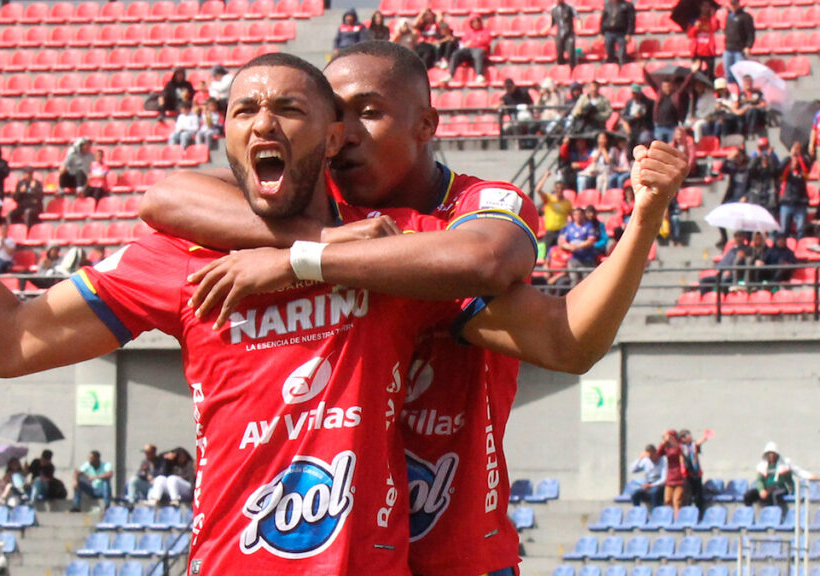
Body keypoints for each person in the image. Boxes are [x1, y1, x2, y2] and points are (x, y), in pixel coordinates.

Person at [0, 48, 688, 575]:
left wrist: (645, 218)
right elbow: (5, 343)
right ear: (224, 134)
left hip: (447, 555)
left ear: (329, 130)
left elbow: (554, 327)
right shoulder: (193, 251)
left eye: (295, 110)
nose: (266, 123)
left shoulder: (408, 251)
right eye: (243, 111)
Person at [139, 43, 687, 576]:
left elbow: (525, 299)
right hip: (340, 547)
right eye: (336, 116)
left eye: (369, 113)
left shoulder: (475, 205)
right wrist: (323, 238)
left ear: (426, 124)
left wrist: (642, 220)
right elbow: (165, 197)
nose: (346, 134)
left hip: (459, 547)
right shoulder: (312, 204)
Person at [744, 442, 817, 514]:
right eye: (769, 454)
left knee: (773, 495)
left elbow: (798, 471)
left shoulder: (785, 463)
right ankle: (748, 514)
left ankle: (773, 515)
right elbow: (759, 480)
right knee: (748, 495)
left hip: (781, 487)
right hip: (767, 488)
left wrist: (810, 476)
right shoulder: (762, 466)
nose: (771, 455)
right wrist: (761, 490)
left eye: (773, 453)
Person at [643, 70, 696, 144]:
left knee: (671, 147)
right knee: (659, 146)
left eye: (668, 86)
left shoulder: (675, 95)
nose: (666, 88)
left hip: (672, 126)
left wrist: (692, 73)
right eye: (664, 86)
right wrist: (644, 70)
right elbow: (650, 82)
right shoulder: (660, 94)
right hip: (659, 126)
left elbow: (685, 85)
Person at [777, 141, 811, 240]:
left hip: (801, 202)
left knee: (801, 231)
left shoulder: (804, 163)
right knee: (784, 231)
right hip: (787, 201)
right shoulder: (786, 164)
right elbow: (780, 171)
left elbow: (806, 172)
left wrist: (799, 158)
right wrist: (790, 158)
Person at [558, 207, 601, 285]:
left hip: (587, 259)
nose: (578, 216)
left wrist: (577, 247)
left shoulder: (589, 226)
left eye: (580, 214)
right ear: (573, 216)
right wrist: (570, 247)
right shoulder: (569, 227)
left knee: (587, 283)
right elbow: (562, 243)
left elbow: (591, 241)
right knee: (573, 282)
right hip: (574, 259)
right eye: (575, 214)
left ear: (583, 215)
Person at [447, 15, 492, 83]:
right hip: (468, 50)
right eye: (474, 21)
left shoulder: (485, 31)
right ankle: (450, 74)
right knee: (456, 54)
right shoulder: (468, 32)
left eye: (477, 21)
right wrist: (477, 41)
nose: (476, 23)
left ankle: (480, 75)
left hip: (480, 49)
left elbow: (486, 41)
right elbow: (465, 42)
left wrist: (473, 43)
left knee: (478, 54)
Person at [536, 170, 573, 250]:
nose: (559, 190)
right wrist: (545, 177)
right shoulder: (549, 198)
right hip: (550, 231)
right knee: (547, 253)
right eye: (558, 188)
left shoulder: (567, 202)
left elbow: (572, 216)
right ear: (554, 189)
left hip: (562, 232)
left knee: (560, 252)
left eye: (561, 188)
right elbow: (538, 189)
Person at [723, 0, 755, 84]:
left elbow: (750, 33)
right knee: (729, 76)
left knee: (740, 75)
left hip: (739, 50)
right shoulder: (728, 17)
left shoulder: (745, 17)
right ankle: (732, 93)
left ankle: (741, 93)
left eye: (734, 4)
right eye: (731, 4)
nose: (733, 6)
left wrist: (748, 46)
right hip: (728, 49)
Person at [678, 429, 708, 514]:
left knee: (699, 495)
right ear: (683, 439)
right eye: (688, 435)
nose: (690, 436)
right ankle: (688, 513)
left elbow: (698, 443)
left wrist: (705, 438)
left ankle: (700, 513)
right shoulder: (680, 447)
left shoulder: (693, 445)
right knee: (688, 495)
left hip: (696, 473)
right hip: (687, 474)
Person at [656, 430, 686, 516]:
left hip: (679, 476)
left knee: (677, 500)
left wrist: (670, 441)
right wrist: (664, 442)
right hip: (670, 476)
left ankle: (677, 519)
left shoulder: (679, 446)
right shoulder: (666, 447)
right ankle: (668, 518)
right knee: (667, 499)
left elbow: (680, 451)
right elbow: (658, 454)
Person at [688, 3, 720, 80]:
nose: (705, 8)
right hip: (697, 52)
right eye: (703, 6)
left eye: (707, 6)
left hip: (709, 51)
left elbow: (715, 27)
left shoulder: (711, 19)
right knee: (696, 74)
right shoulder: (694, 21)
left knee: (710, 75)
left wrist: (713, 16)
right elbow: (690, 34)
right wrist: (696, 27)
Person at [544, 0, 579, 69]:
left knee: (571, 53)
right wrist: (544, 30)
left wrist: (579, 26)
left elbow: (577, 17)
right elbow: (552, 23)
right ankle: (561, 69)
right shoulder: (554, 10)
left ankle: (573, 68)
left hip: (569, 33)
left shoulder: (569, 7)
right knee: (559, 54)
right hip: (559, 34)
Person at [630, 444, 666, 509]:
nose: (651, 459)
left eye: (652, 456)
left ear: (656, 453)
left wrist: (651, 485)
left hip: (660, 485)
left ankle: (655, 513)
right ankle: (638, 513)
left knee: (654, 493)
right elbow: (632, 470)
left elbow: (663, 479)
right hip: (649, 484)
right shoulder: (646, 460)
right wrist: (639, 459)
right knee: (635, 494)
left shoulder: (663, 460)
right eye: (649, 457)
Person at [600, 0, 635, 65]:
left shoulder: (628, 5)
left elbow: (631, 20)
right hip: (609, 32)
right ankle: (611, 68)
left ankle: (623, 68)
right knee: (609, 53)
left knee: (622, 54)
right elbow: (603, 19)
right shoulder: (608, 5)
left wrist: (629, 33)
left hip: (621, 32)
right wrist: (601, 32)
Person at [747, 137, 779, 208]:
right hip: (757, 190)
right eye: (761, 147)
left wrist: (770, 157)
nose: (763, 149)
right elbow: (750, 170)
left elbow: (775, 172)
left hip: (769, 190)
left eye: (765, 147)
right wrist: (758, 156)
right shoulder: (754, 155)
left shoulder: (773, 156)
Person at [620, 85, 654, 150]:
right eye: (634, 93)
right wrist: (632, 118)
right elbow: (624, 116)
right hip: (632, 127)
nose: (635, 95)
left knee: (644, 139)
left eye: (637, 93)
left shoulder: (648, 103)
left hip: (643, 127)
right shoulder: (629, 103)